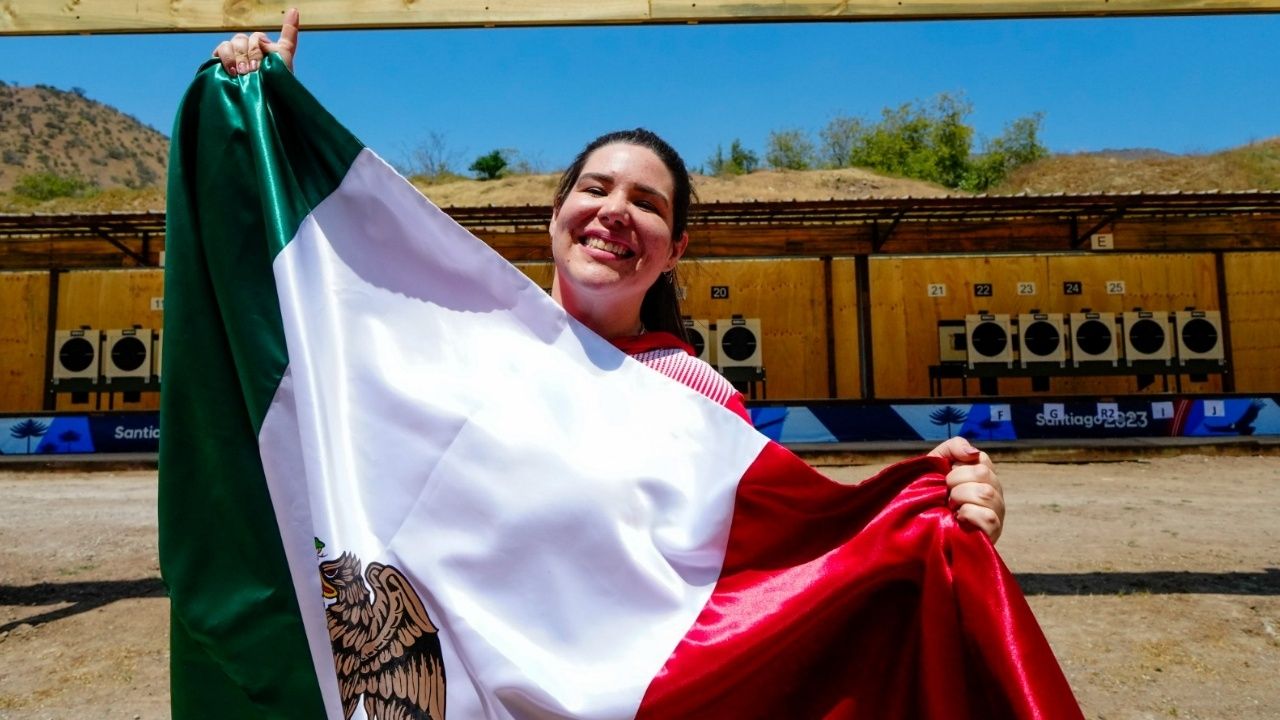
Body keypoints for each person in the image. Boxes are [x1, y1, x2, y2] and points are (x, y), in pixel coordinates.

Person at [212, 10, 1005, 543]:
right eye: (595, 189)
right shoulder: (457, 337)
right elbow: (300, 326)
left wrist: (929, 518)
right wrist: (259, 138)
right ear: (554, 215)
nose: (616, 212)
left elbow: (783, 551)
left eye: (648, 204)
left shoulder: (697, 392)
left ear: (675, 249)